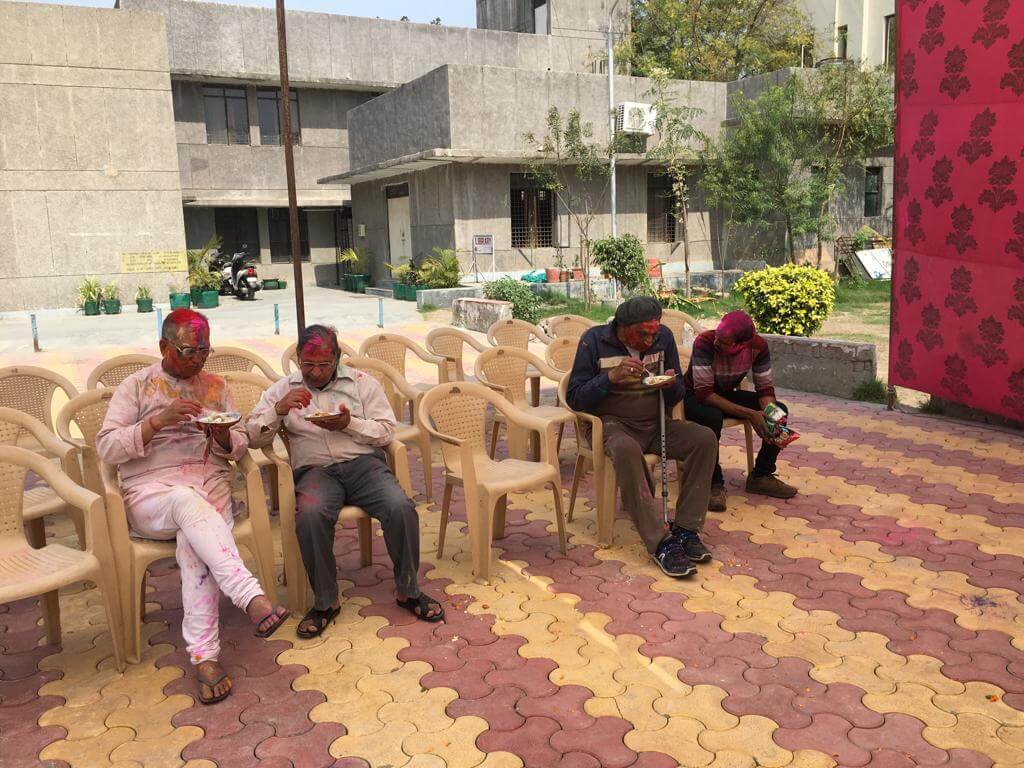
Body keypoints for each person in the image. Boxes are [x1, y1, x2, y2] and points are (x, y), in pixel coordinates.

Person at [96, 309, 289, 706]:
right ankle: (249, 595)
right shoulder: (136, 387)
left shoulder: (215, 386)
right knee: (186, 502)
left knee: (193, 540)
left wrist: (222, 436)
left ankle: (205, 659)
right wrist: (156, 422)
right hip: (151, 493)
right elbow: (107, 448)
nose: (198, 360)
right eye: (189, 351)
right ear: (163, 347)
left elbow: (239, 444)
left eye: (205, 350)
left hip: (209, 486)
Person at [246, 324, 444, 638]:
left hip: (364, 465)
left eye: (324, 365)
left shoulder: (362, 384)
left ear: (337, 357)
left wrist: (349, 424)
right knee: (310, 516)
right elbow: (253, 438)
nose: (315, 372)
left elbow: (386, 432)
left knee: (400, 507)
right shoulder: (282, 389)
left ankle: (409, 590)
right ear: (298, 358)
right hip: (315, 472)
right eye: (308, 364)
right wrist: (278, 410)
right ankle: (326, 602)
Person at [566, 296, 718, 578]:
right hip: (613, 424)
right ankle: (660, 542)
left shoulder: (664, 338)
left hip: (655, 422)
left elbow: (677, 393)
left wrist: (671, 385)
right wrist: (610, 378)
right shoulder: (594, 341)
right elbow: (574, 398)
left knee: (704, 439)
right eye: (642, 334)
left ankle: (686, 529)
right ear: (622, 328)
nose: (650, 340)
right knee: (625, 448)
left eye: (653, 333)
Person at [682, 310, 798, 511]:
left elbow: (765, 389)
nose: (717, 342)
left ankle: (761, 475)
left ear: (741, 344)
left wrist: (769, 416)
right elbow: (705, 393)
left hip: (725, 394)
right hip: (695, 397)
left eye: (724, 341)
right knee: (712, 416)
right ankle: (713, 483)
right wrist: (750, 414)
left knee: (779, 411)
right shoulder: (704, 342)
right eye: (718, 336)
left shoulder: (758, 346)